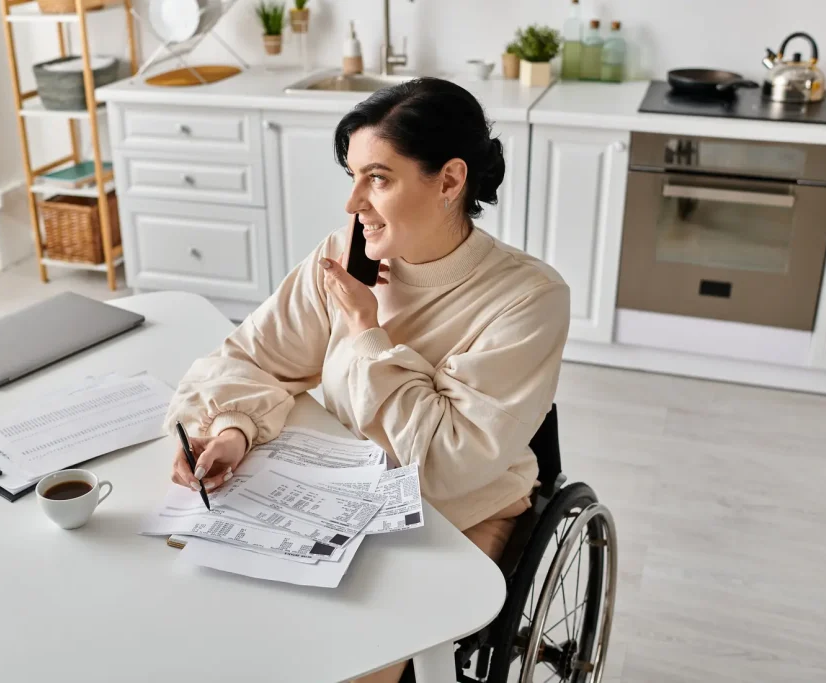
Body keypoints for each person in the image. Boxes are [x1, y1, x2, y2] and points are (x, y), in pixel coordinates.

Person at [164, 77, 570, 683]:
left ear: (450, 181)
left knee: (343, 663)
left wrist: (362, 330)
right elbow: (251, 357)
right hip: (343, 492)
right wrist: (232, 428)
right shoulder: (343, 253)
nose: (354, 202)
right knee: (211, 618)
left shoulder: (527, 298)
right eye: (352, 177)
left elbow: (445, 462)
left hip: (459, 513)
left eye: (378, 178)